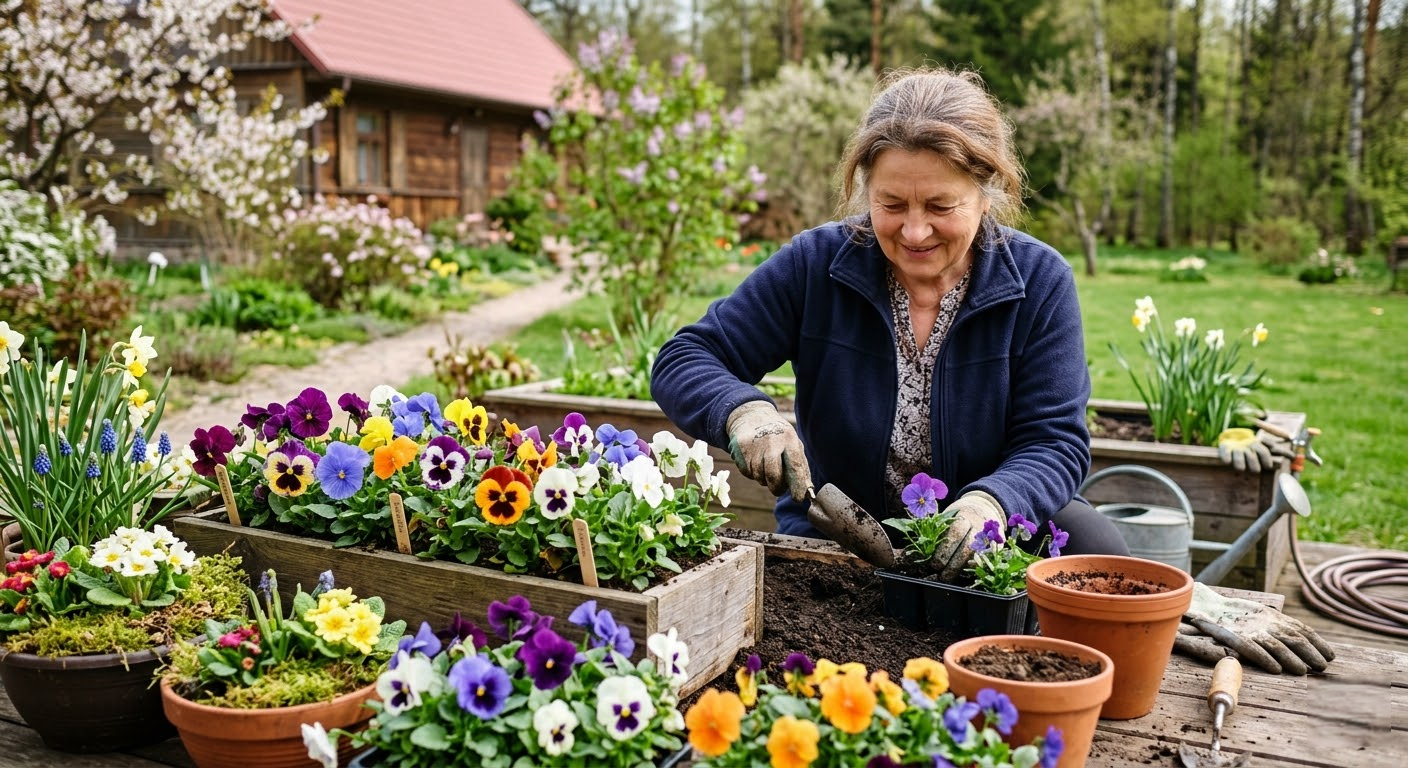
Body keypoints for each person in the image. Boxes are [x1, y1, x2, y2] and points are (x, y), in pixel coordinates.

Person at [650, 67, 1130, 581]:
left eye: (941, 205)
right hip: (840, 533)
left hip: (988, 538)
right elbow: (686, 358)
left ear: (986, 194)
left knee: (1100, 550)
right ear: (866, 190)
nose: (915, 231)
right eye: (892, 204)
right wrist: (745, 414)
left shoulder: (1038, 281)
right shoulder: (817, 265)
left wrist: (989, 504)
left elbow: (1054, 441)